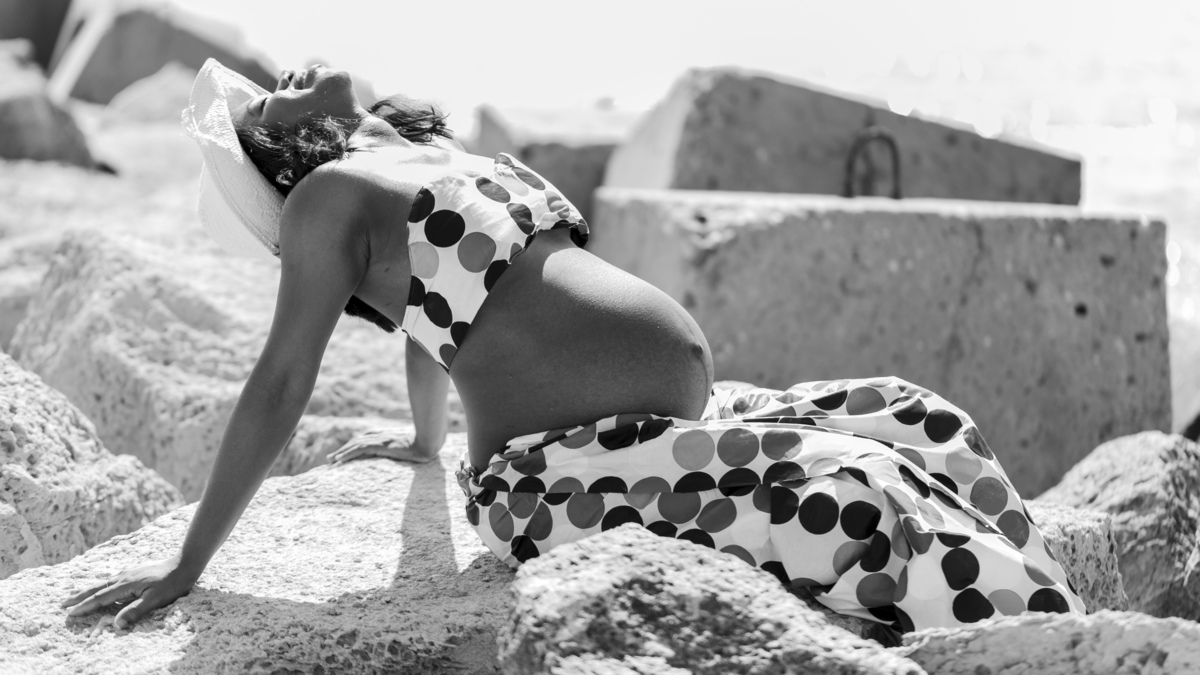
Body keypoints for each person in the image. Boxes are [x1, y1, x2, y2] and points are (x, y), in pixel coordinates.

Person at [61, 59, 1085, 633]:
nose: (274, 79)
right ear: (279, 156)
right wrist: (189, 565)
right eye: (261, 104)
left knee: (913, 416)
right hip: (556, 474)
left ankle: (1056, 621)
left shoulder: (420, 155)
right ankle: (1021, 642)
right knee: (856, 492)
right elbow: (282, 379)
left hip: (648, 427)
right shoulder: (325, 201)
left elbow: (430, 313)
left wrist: (422, 441)